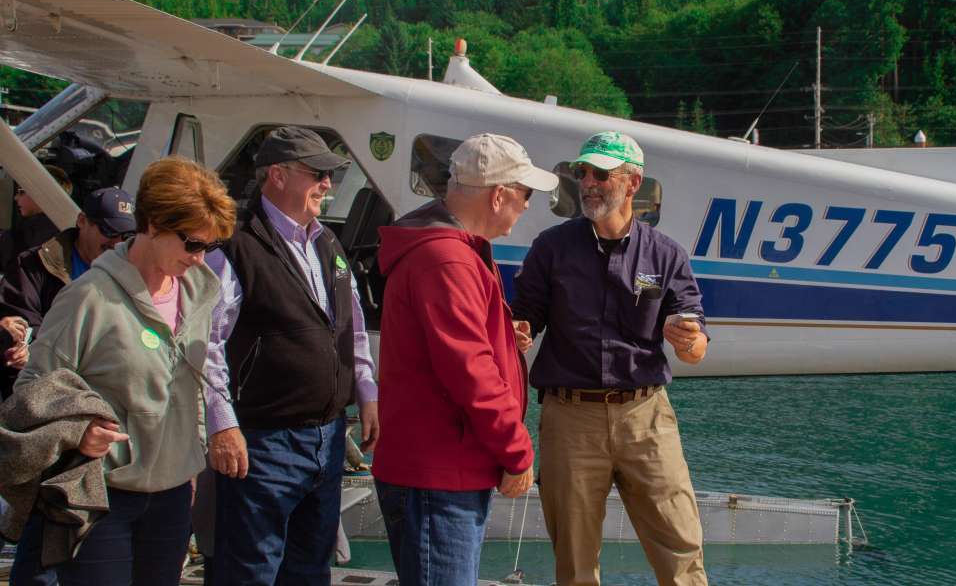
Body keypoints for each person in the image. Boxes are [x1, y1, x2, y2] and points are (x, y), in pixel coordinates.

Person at [10, 155, 236, 586]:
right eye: (191, 243)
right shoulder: (88, 298)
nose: (200, 257)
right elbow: (31, 392)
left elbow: (193, 386)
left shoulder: (200, 294)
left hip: (170, 498)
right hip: (102, 497)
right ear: (151, 225)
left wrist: (192, 458)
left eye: (210, 246)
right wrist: (77, 432)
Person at [511, 131, 710, 586]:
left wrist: (688, 340)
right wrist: (518, 331)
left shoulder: (666, 255)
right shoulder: (551, 248)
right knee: (575, 559)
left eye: (601, 174)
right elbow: (525, 318)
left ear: (632, 182)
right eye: (583, 173)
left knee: (681, 547)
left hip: (647, 418)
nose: (588, 183)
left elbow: (697, 346)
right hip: (569, 419)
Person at [371, 133, 557, 585]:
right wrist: (517, 453)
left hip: (437, 468)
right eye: (525, 194)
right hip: (439, 476)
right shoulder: (449, 260)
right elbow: (469, 371)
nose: (529, 206)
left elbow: (455, 348)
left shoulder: (448, 250)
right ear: (499, 196)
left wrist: (498, 333)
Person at [203, 126, 379, 586]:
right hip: (263, 442)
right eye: (317, 173)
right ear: (277, 176)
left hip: (328, 435)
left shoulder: (327, 242)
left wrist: (367, 391)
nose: (327, 184)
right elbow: (207, 344)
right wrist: (222, 424)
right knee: (249, 570)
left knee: (309, 570)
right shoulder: (236, 246)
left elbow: (352, 326)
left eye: (330, 174)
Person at [0, 186, 136, 584]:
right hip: (52, 417)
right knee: (45, 527)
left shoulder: (131, 268)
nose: (116, 241)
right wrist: (17, 341)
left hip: (105, 418)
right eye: (108, 230)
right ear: (82, 223)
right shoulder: (37, 264)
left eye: (125, 234)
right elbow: (18, 317)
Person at [0, 165, 73, 276]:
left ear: (41, 195)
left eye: (21, 192)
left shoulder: (36, 234)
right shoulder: (60, 230)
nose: (16, 198)